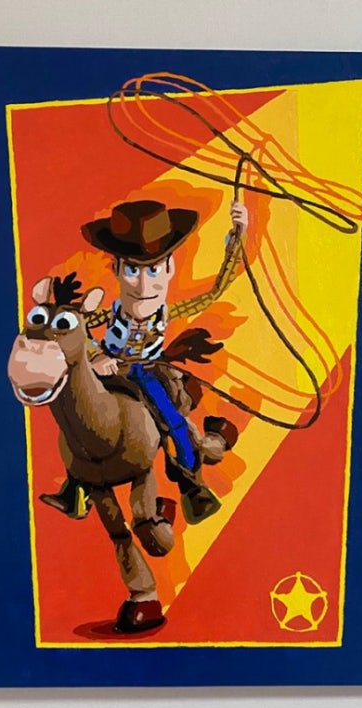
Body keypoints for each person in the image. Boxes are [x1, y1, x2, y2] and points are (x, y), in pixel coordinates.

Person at [44, 198, 247, 523]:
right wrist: (96, 356)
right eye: (132, 270)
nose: (142, 285)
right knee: (78, 414)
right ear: (116, 270)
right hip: (109, 370)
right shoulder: (107, 313)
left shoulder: (167, 313)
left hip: (148, 372)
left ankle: (192, 486)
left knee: (173, 422)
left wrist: (238, 233)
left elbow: (214, 292)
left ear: (169, 269)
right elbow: (77, 326)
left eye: (153, 270)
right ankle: (76, 490)